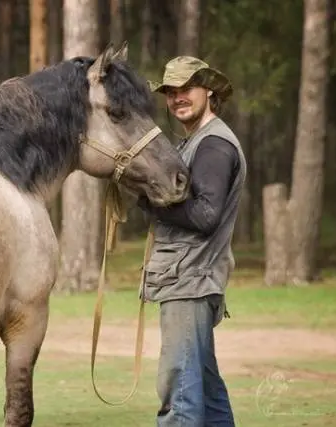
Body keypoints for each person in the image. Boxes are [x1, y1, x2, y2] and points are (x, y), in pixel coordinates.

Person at [138, 56, 247, 426]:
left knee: (180, 394)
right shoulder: (197, 141)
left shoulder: (214, 144)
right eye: (170, 91)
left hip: (189, 282)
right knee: (208, 395)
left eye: (186, 88)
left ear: (209, 91)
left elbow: (204, 216)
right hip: (191, 280)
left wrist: (150, 202)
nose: (177, 97)